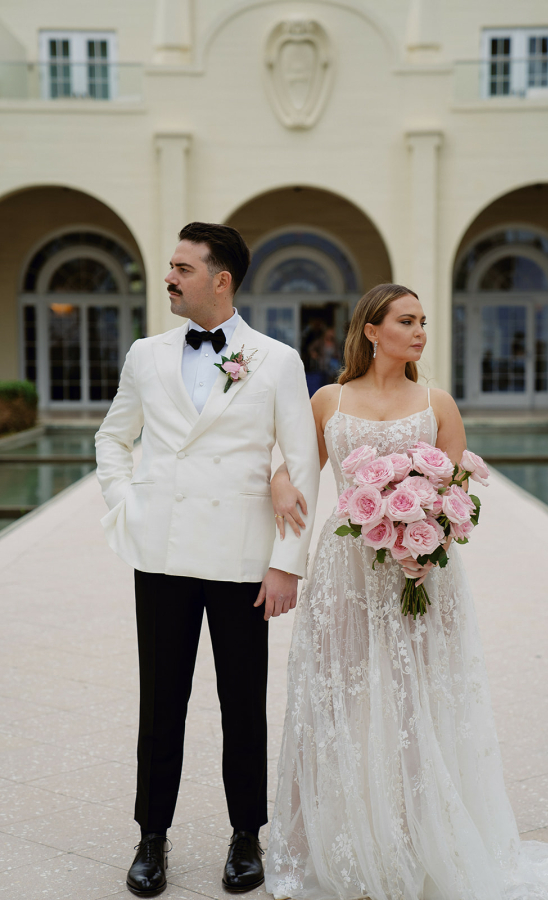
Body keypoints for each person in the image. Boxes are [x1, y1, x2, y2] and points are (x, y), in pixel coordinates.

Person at [264, 283, 548, 900]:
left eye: (423, 321)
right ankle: (335, 844)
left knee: (418, 705)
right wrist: (282, 482)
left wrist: (428, 548)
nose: (420, 331)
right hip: (344, 572)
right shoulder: (328, 400)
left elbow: (456, 494)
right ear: (371, 329)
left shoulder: (436, 400)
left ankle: (415, 843)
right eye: (407, 321)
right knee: (334, 698)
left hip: (420, 574)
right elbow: (296, 464)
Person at [95, 222, 319, 897]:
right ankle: (151, 835)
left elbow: (302, 464)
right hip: (160, 551)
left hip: (242, 558)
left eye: (182, 268)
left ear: (221, 280)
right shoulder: (145, 353)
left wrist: (286, 562)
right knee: (161, 700)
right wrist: (125, 501)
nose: (169, 276)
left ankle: (247, 833)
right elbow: (113, 436)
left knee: (241, 703)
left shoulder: (275, 360)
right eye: (170, 266)